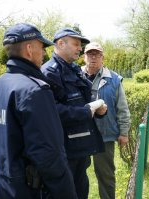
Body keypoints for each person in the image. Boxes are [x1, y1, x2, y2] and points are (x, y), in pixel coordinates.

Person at [0, 23, 77, 199]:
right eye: (41, 47)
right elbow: (48, 154)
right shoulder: (34, 91)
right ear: (29, 49)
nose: (44, 53)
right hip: (23, 191)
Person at [41, 28, 106, 199]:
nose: (80, 48)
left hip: (80, 148)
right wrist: (87, 111)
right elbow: (52, 112)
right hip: (64, 151)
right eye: (76, 44)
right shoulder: (50, 72)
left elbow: (83, 100)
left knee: (81, 190)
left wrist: (97, 110)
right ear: (61, 43)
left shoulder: (74, 69)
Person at [82, 42, 130, 199]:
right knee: (78, 175)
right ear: (84, 57)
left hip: (105, 135)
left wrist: (124, 132)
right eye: (90, 54)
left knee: (106, 175)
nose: (93, 57)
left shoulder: (114, 79)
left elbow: (122, 107)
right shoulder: (75, 76)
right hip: (80, 135)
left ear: (103, 58)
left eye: (97, 54)